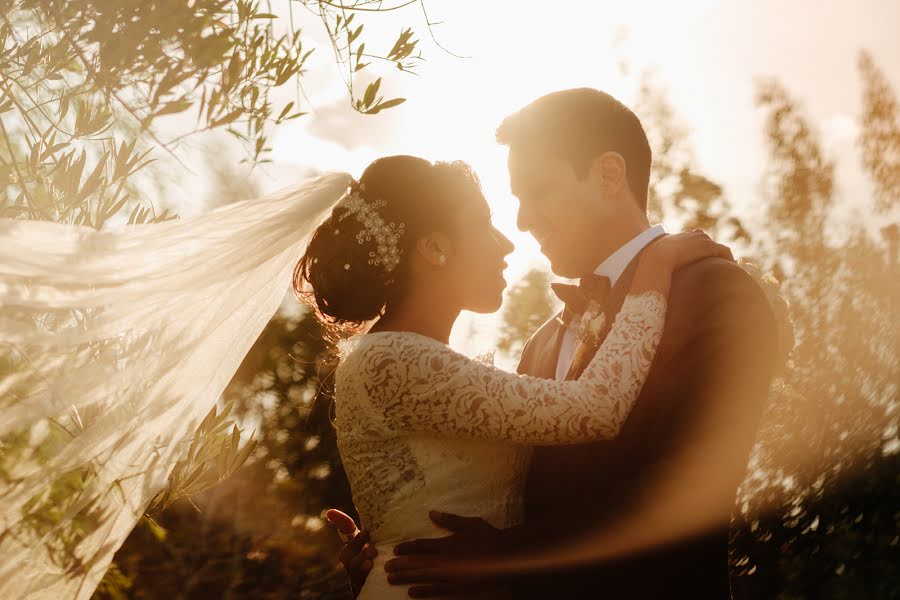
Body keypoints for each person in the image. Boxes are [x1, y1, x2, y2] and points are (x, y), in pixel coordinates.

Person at [329, 89, 779, 599]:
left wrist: (505, 558)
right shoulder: (541, 344)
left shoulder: (715, 291)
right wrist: (401, 544)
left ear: (610, 175)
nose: (521, 222)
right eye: (513, 201)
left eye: (538, 190)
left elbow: (688, 496)